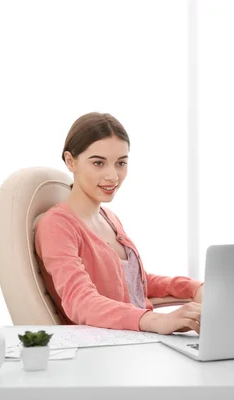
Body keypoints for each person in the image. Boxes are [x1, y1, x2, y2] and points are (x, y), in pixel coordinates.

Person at [34, 112, 203, 335]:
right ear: (70, 161)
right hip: (106, 350)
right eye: (98, 163)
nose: (113, 176)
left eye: (120, 163)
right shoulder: (57, 226)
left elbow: (134, 282)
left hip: (140, 342)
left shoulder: (109, 218)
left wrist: (195, 288)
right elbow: (80, 301)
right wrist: (155, 320)